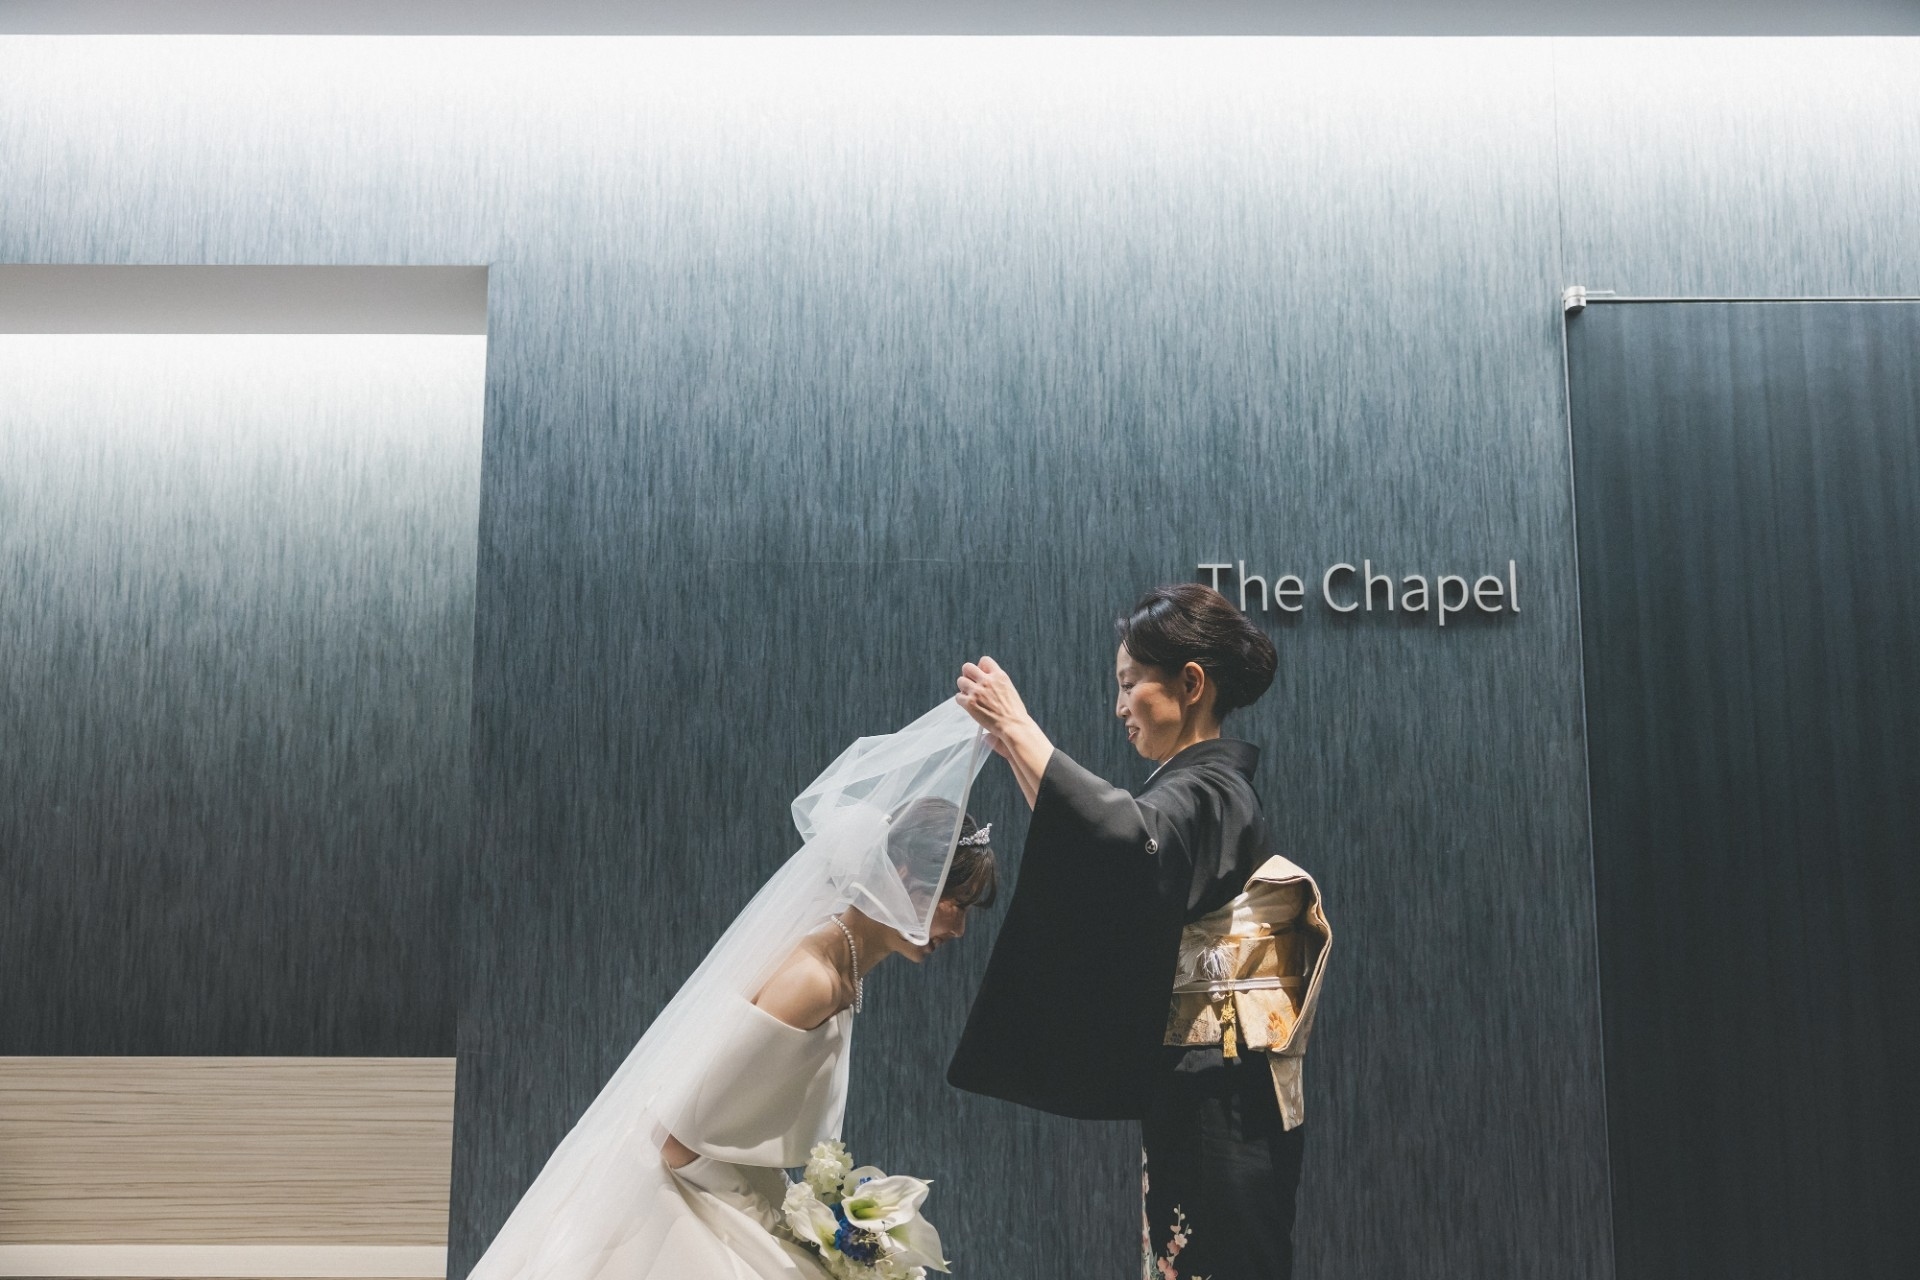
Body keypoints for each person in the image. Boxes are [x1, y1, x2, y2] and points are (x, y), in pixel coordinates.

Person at [470, 699, 998, 1280]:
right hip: (670, 1207)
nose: (958, 929)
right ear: (905, 878)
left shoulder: (843, 971)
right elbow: (675, 1138)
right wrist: (789, 1230)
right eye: (956, 904)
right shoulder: (813, 981)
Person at [948, 583, 1332, 1280]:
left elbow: (1127, 846)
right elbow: (1111, 859)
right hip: (1202, 1089)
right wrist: (1015, 750)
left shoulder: (1213, 790)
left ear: (1191, 684)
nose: (1119, 706)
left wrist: (1023, 730)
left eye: (1130, 685)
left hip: (1222, 1095)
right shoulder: (1200, 792)